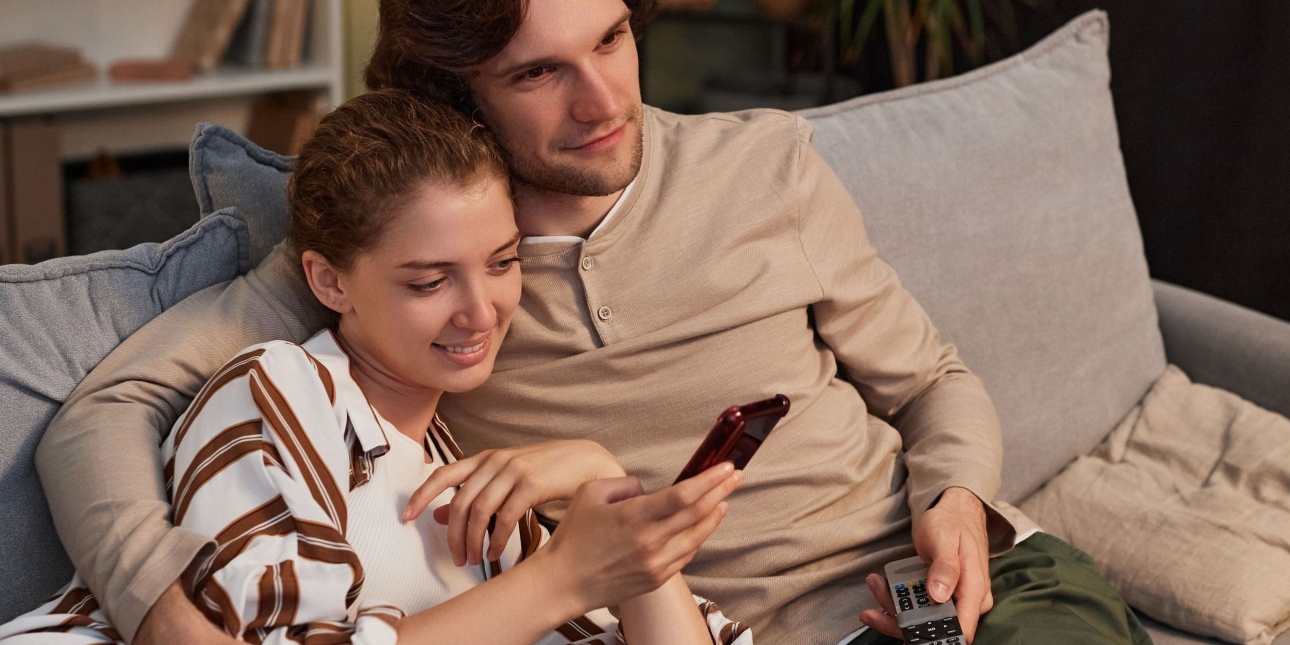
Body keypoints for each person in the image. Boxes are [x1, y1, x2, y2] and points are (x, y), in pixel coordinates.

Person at [35, 0, 1152, 644]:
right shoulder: (417, 247)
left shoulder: (767, 166)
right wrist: (164, 619)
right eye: (539, 72)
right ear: (456, 89)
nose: (603, 100)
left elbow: (933, 381)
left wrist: (954, 496)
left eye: (613, 38)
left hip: (965, 590)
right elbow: (105, 411)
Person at [5, 90, 751, 645]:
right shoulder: (279, 392)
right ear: (329, 282)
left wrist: (602, 482)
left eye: (501, 263)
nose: (481, 312)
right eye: (428, 282)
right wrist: (564, 579)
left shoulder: (486, 498)